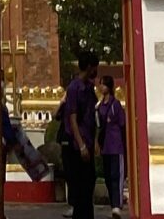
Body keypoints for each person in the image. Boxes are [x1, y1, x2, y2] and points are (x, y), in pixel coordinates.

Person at [58, 49, 99, 219]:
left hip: (87, 140)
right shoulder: (74, 88)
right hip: (76, 145)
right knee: (80, 188)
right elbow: (73, 118)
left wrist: (94, 141)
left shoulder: (89, 88)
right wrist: (81, 145)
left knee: (88, 184)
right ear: (89, 67)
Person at [95, 68, 127, 214]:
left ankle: (117, 205)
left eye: (103, 84)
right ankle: (113, 204)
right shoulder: (100, 106)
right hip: (106, 146)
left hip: (116, 145)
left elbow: (122, 124)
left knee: (116, 175)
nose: (101, 87)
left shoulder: (115, 105)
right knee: (108, 177)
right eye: (100, 84)